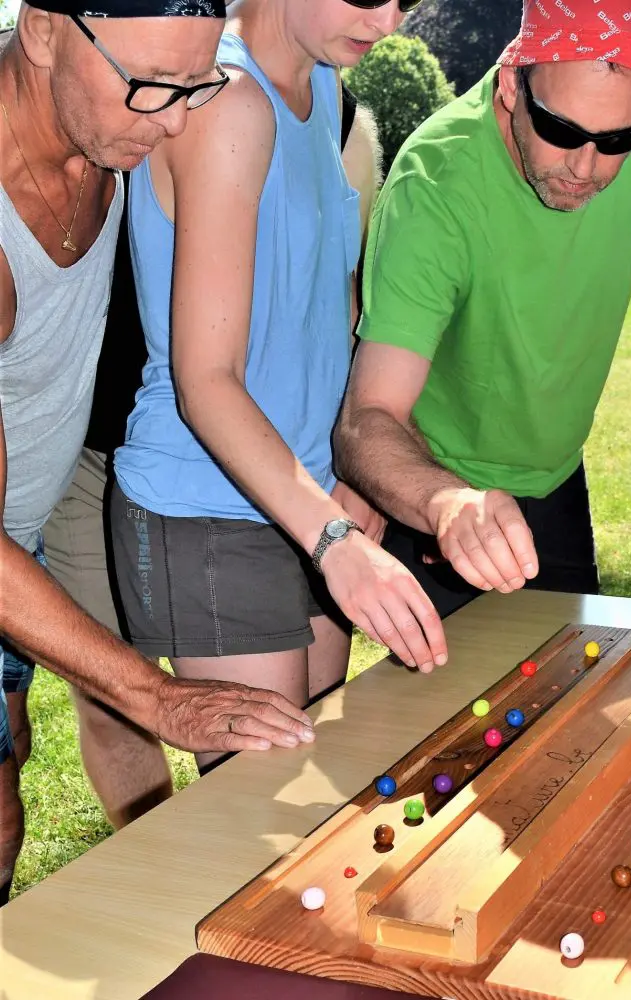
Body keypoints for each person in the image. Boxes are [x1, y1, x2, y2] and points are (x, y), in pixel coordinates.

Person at [0, 0, 315, 905]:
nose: (176, 121)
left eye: (196, 84)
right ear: (43, 29)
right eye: (150, 85)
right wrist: (158, 698)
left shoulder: (104, 128)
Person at [109, 0, 445, 774]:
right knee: (264, 807)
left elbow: (328, 305)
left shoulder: (321, 81)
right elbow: (206, 382)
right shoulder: (226, 102)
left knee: (316, 793)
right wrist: (333, 540)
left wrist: (354, 468)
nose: (388, 22)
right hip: (210, 505)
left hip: (311, 496)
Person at [42, 83, 383, 829]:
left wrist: (353, 465)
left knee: (291, 740)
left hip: (263, 460)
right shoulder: (117, 83)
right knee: (115, 700)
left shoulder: (325, 104)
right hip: (93, 446)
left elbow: (341, 297)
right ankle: (167, 862)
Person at [335, 0, 631, 617]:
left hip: (557, 475)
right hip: (441, 488)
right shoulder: (435, 187)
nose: (586, 166)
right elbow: (368, 416)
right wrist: (443, 502)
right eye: (561, 131)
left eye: (619, 139)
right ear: (513, 84)